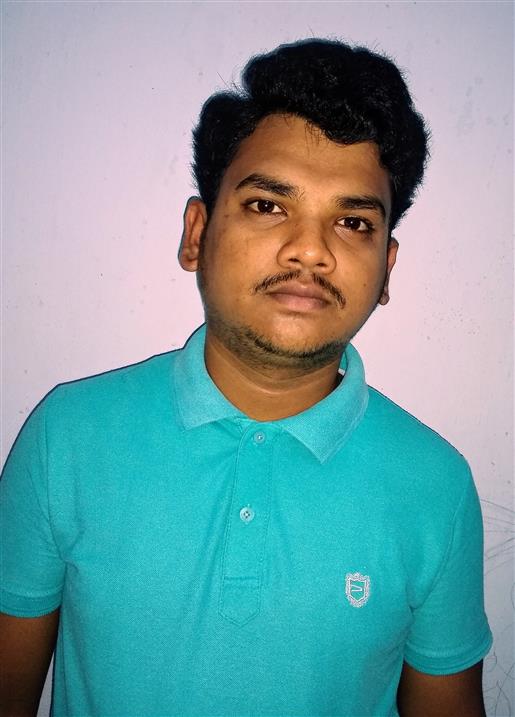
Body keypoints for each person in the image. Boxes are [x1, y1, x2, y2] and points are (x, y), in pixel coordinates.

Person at [0, 38, 492, 717]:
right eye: (267, 205)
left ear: (386, 269)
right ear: (196, 234)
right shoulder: (68, 436)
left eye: (352, 221)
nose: (310, 250)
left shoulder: (435, 484)